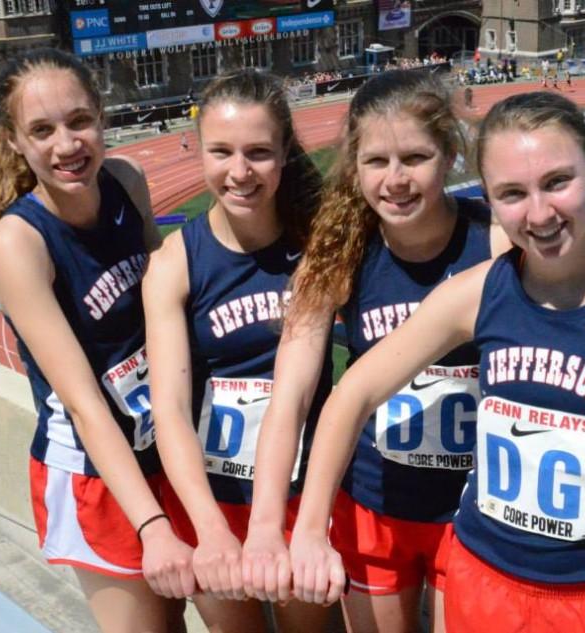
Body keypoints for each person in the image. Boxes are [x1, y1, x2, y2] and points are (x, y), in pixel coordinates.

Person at [289, 91, 585, 633]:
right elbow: (352, 393)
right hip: (482, 582)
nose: (540, 213)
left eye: (557, 182)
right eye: (513, 193)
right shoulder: (474, 294)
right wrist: (310, 530)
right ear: (489, 198)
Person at [260, 70, 508, 632]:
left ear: (449, 155)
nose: (395, 180)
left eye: (415, 158)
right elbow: (291, 395)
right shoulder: (339, 254)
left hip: (473, 514)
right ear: (354, 165)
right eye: (376, 162)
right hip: (373, 505)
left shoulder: (495, 241)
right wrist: (275, 528)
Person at [0, 48, 195, 633]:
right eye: (42, 130)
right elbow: (80, 401)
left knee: (177, 613)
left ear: (102, 116)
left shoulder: (126, 182)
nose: (66, 145)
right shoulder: (20, 244)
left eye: (78, 121)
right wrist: (151, 526)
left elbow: (164, 299)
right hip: (95, 469)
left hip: (162, 441)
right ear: (15, 142)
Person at [141, 68, 332, 633]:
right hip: (210, 496)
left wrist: (272, 526)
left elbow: (292, 397)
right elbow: (169, 408)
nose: (240, 172)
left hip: (295, 496)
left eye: (258, 153)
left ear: (283, 154)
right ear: (197, 152)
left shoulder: (314, 250)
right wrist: (211, 529)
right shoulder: (175, 262)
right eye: (221, 152)